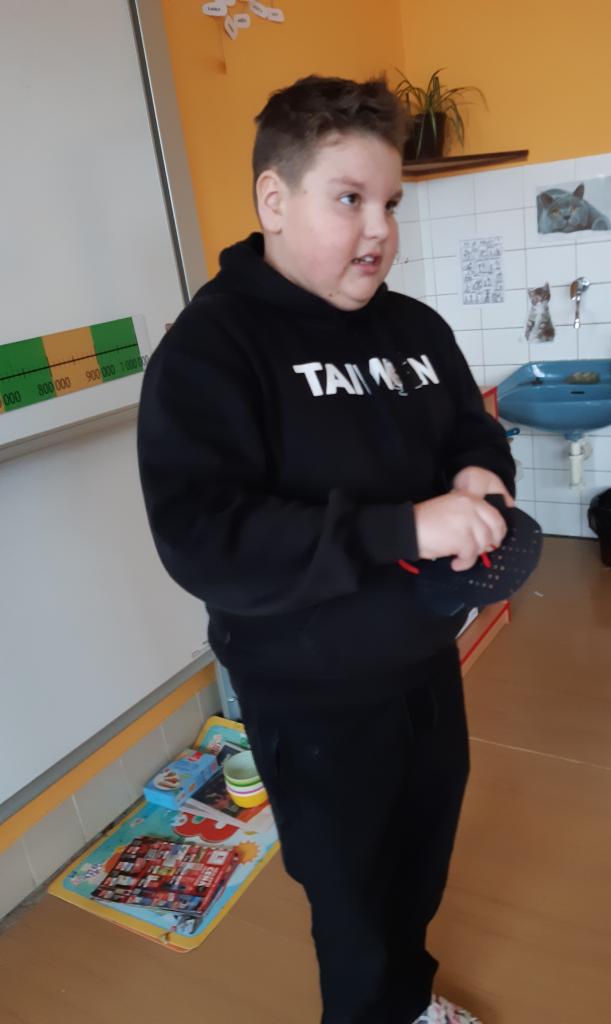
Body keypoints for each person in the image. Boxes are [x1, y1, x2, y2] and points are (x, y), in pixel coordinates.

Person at [137, 74, 515, 1024]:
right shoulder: (211, 349)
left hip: (424, 662)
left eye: (390, 203)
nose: (379, 229)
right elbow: (206, 539)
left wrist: (479, 474)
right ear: (274, 199)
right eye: (349, 199)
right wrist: (405, 526)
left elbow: (469, 429)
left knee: (420, 860)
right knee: (351, 900)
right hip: (308, 692)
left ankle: (407, 1003)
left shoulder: (414, 328)